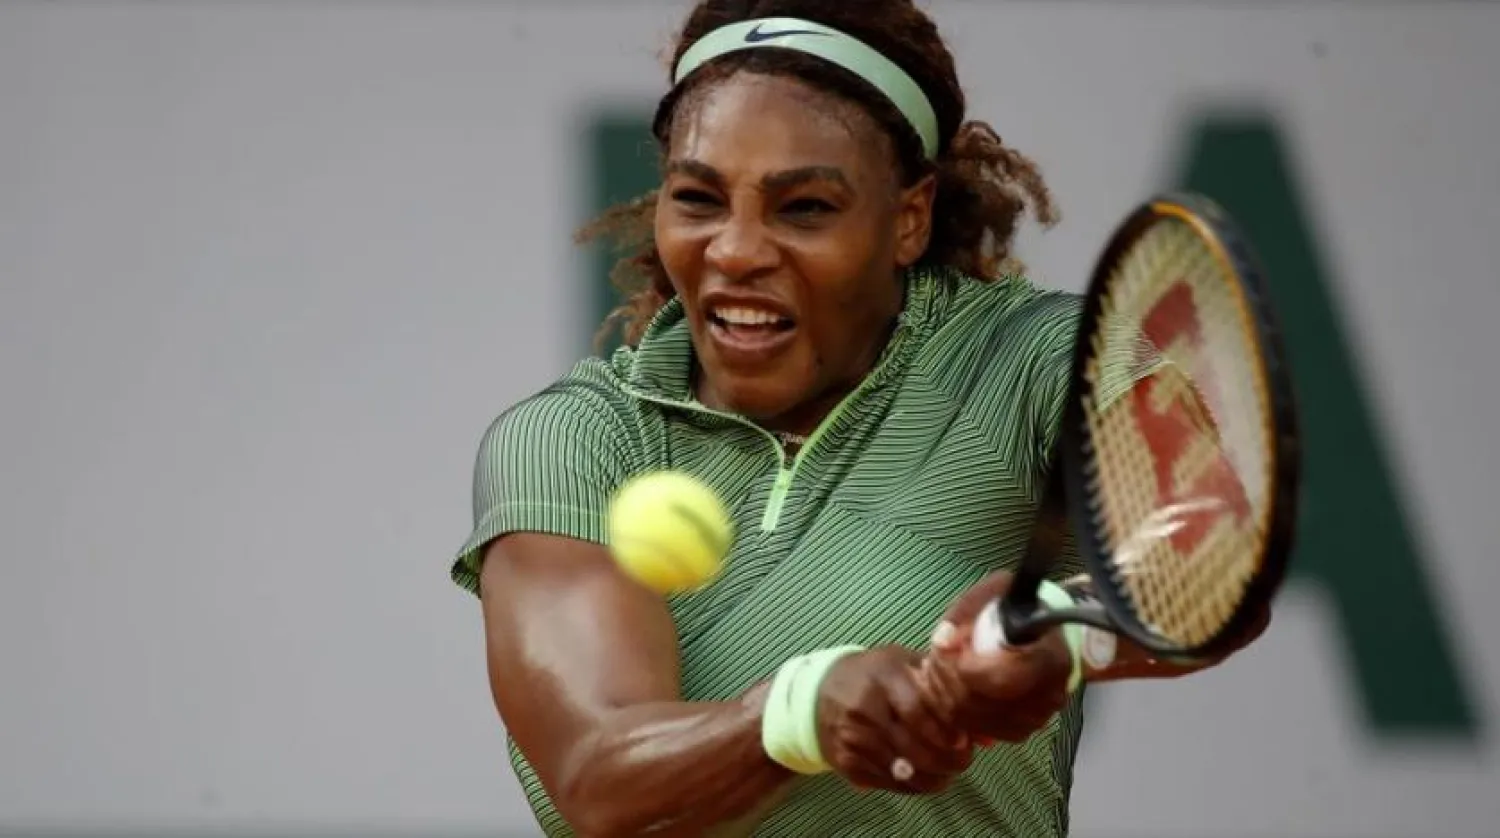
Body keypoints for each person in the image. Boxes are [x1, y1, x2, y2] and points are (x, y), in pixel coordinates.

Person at [449, 2, 1265, 836]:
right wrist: (799, 715)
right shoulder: (576, 440)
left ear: (907, 218)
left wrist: (1064, 630)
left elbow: (1207, 543)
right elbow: (599, 773)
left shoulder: (1031, 359)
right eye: (698, 198)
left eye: (803, 208)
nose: (735, 250)